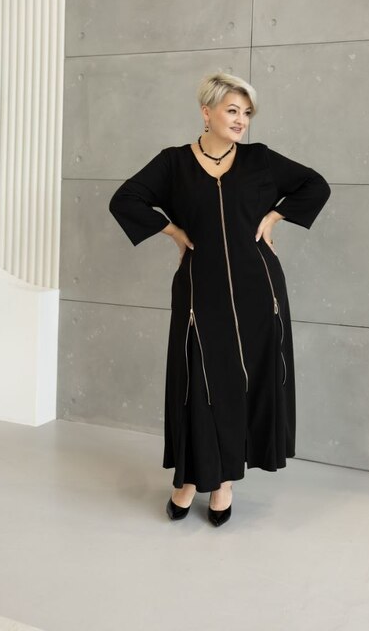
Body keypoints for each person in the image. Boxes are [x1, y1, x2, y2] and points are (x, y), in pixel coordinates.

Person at [108, 71, 331, 527]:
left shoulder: (259, 160)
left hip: (259, 290)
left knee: (242, 384)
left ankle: (225, 482)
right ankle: (190, 478)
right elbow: (124, 199)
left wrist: (275, 216)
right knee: (198, 384)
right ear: (206, 112)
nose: (241, 120)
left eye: (247, 112)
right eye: (232, 110)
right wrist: (172, 231)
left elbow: (315, 185)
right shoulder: (173, 163)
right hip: (199, 290)